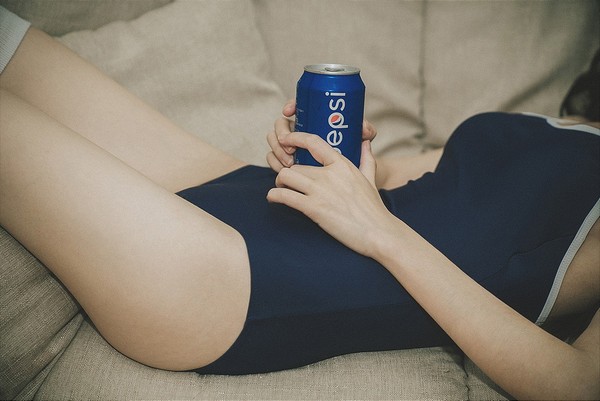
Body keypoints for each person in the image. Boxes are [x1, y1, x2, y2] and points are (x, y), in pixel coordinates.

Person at [1, 7, 598, 400]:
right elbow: (417, 181)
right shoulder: (577, 128)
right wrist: (329, 160)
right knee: (12, 45)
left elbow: (578, 384)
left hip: (240, 284)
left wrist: (379, 229)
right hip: (251, 195)